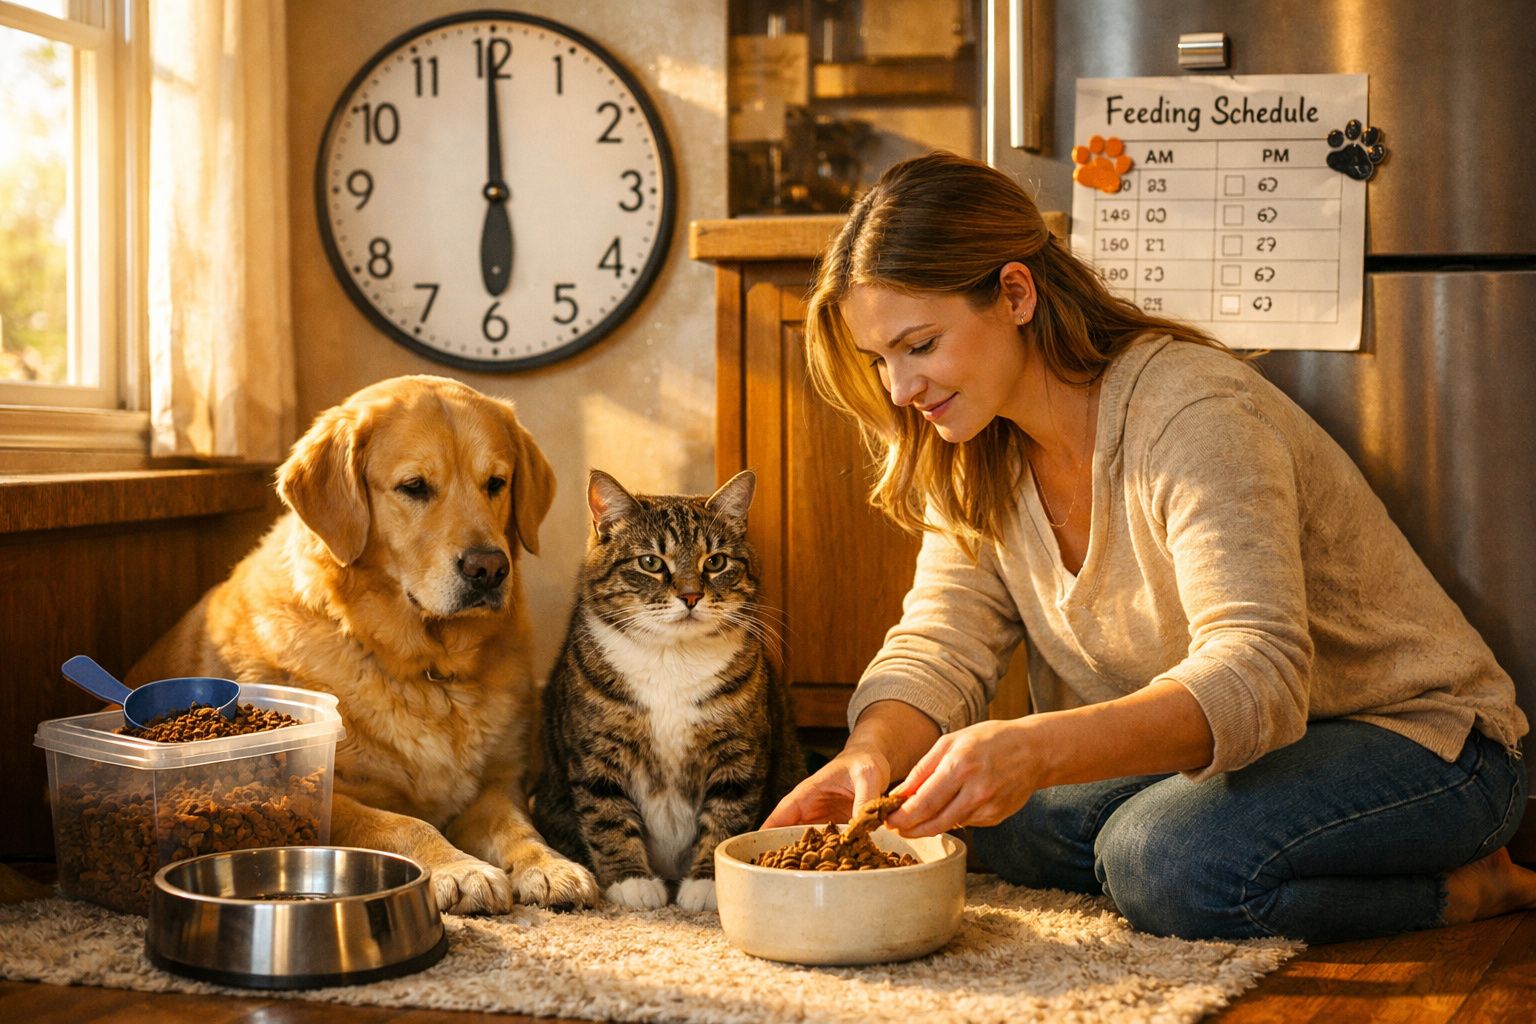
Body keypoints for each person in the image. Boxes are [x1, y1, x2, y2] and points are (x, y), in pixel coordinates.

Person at [764, 151, 1536, 944]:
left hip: (1422, 746)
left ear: (1016, 294)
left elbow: (1258, 673)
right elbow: (940, 644)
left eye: (920, 345)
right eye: (880, 360)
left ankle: (1467, 891)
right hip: (1244, 762)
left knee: (1163, 863)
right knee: (959, 812)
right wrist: (869, 758)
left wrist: (1035, 748)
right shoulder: (972, 446)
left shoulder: (1190, 411)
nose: (900, 389)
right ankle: (1159, 832)